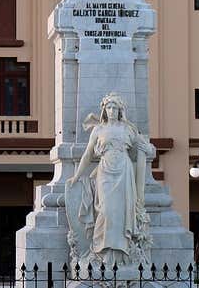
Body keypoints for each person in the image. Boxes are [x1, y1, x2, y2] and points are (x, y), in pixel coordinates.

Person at [67, 92, 155, 267]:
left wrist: (148, 149)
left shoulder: (128, 129)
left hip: (124, 169)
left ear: (120, 110)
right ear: (104, 110)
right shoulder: (98, 129)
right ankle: (101, 252)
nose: (112, 110)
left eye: (115, 107)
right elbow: (87, 154)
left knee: (123, 211)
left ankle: (122, 254)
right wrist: (76, 176)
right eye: (109, 107)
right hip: (105, 170)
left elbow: (144, 149)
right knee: (105, 210)